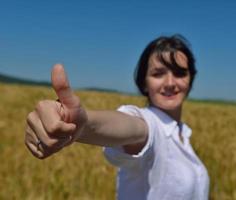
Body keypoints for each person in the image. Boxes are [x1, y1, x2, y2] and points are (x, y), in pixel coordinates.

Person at [25, 35, 210, 199]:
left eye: (179, 73)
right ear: (144, 83)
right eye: (158, 73)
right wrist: (83, 123)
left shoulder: (183, 134)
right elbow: (131, 127)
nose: (170, 83)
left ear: (190, 79)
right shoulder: (150, 125)